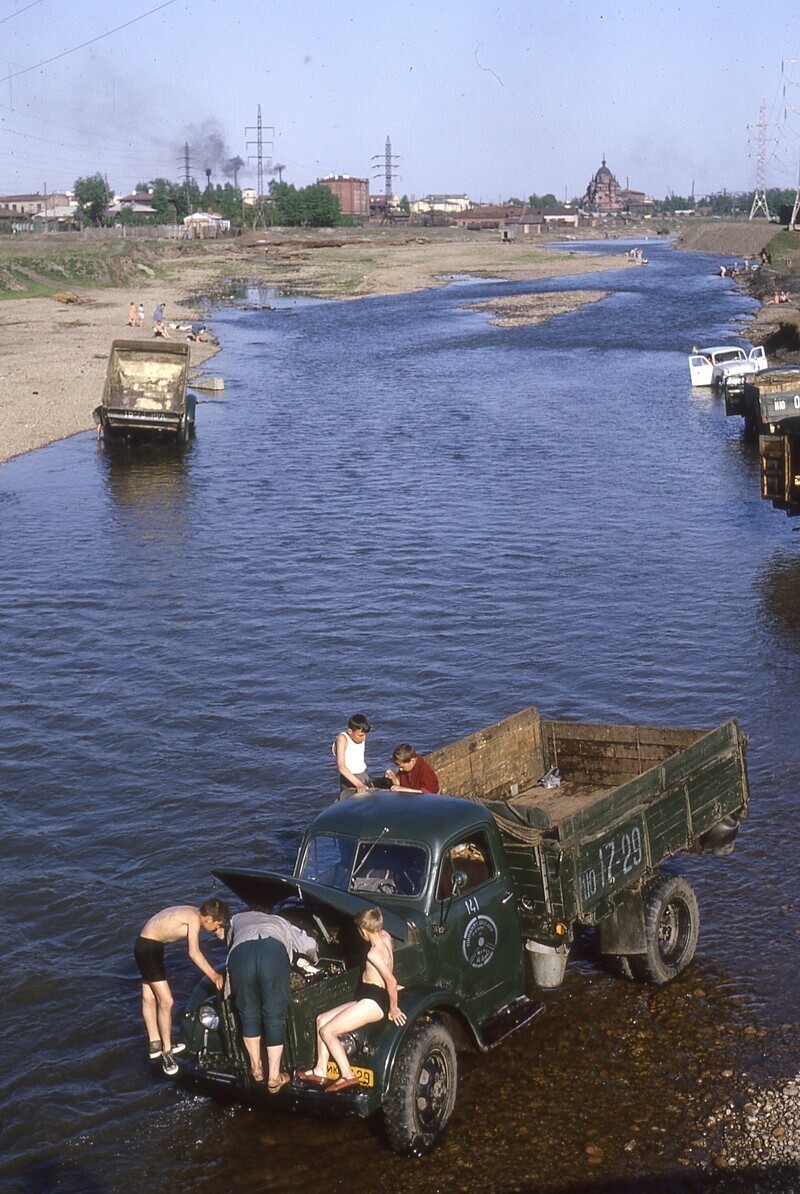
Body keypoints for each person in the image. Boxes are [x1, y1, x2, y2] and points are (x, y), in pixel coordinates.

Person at [299, 907, 405, 1092]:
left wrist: (394, 1008)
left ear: (363, 931)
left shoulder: (374, 954)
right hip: (369, 995)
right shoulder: (386, 937)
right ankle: (321, 1069)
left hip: (374, 1001)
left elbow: (391, 981)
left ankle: (348, 1076)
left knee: (327, 1031)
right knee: (321, 1019)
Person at [227, 908, 318, 1093]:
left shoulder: (236, 919)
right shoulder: (280, 921)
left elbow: (229, 943)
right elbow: (307, 944)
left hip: (240, 955)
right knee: (274, 1017)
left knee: (248, 1015)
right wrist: (314, 958)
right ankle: (274, 1076)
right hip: (272, 952)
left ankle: (256, 1068)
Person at [134, 898, 228, 1074]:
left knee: (149, 998)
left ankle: (155, 1044)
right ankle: (167, 1053)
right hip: (148, 949)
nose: (216, 928)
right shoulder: (193, 919)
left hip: (149, 945)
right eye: (217, 925)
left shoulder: (196, 912)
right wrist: (213, 975)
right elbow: (193, 952)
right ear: (208, 919)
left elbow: (213, 927)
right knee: (167, 1002)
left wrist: (224, 934)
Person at [333, 713, 372, 796]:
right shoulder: (342, 739)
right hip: (350, 779)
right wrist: (358, 784)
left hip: (363, 775)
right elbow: (341, 767)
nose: (364, 738)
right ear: (350, 731)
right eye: (361, 735)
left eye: (366, 735)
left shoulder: (360, 737)